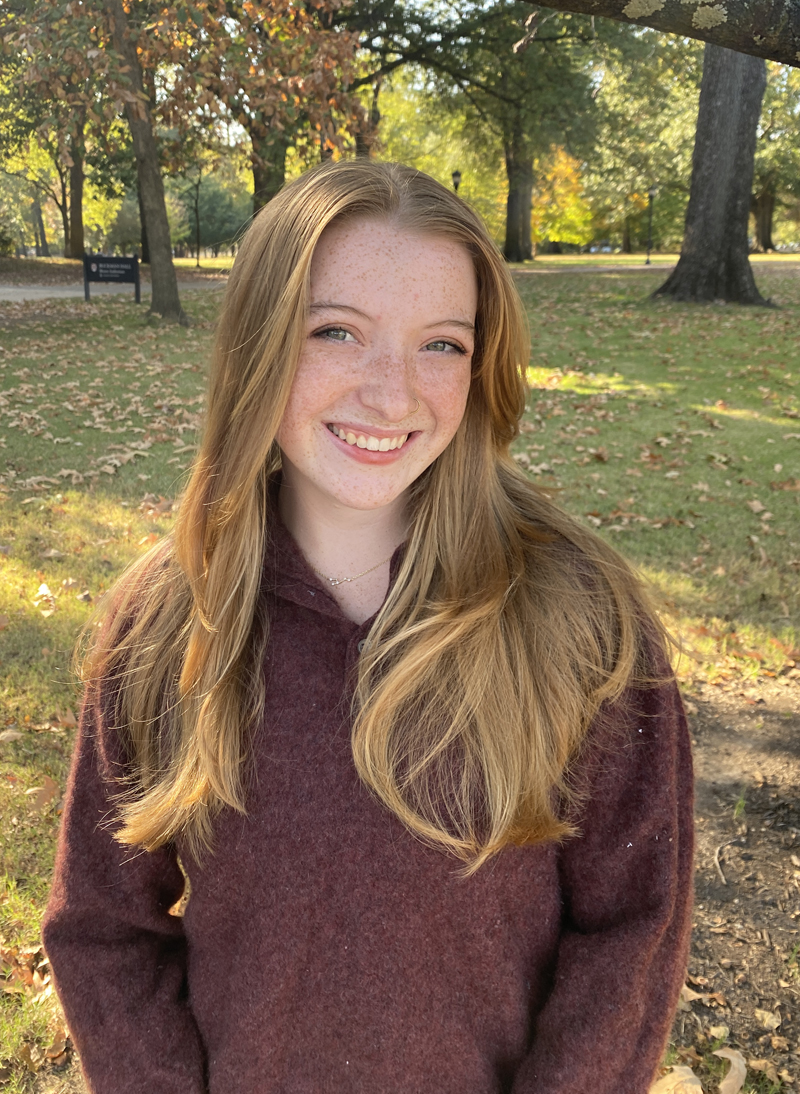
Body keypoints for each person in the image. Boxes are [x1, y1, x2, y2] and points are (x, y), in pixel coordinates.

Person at [43, 160, 693, 1094]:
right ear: (259, 344)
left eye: (441, 345)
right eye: (337, 331)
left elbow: (633, 934)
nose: (392, 394)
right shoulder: (166, 625)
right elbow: (103, 932)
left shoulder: (579, 621)